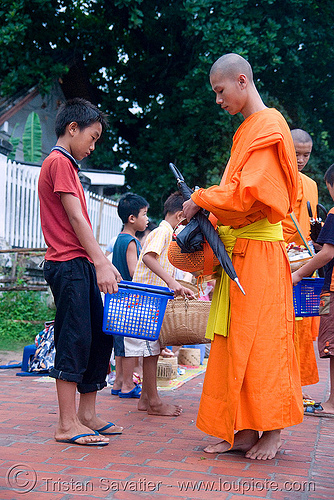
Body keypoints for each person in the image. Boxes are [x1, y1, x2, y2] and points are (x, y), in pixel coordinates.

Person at [182, 53, 303, 460]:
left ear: (241, 80)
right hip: (239, 251)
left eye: (219, 91)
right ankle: (242, 427)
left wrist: (200, 198)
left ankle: (274, 430)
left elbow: (248, 194)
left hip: (263, 256)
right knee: (234, 342)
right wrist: (208, 214)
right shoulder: (247, 130)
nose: (218, 100)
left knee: (265, 342)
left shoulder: (270, 126)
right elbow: (235, 195)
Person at [38, 98, 122, 446]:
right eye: (92, 136)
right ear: (73, 128)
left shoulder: (69, 166)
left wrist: (99, 259)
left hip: (80, 263)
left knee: (98, 338)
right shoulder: (58, 162)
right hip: (67, 264)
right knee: (74, 339)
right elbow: (74, 218)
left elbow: (80, 222)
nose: (92, 145)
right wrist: (101, 261)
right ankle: (66, 423)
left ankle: (86, 414)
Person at [132, 191, 195, 416]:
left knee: (153, 349)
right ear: (180, 216)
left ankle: (145, 399)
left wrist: (175, 285)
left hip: (152, 300)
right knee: (151, 351)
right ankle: (155, 403)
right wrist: (171, 283)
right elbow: (148, 257)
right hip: (146, 301)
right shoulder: (163, 233)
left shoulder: (167, 234)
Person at [292, 163, 334, 416]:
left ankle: (331, 403)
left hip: (330, 291)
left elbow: (328, 253)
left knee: (330, 344)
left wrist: (298, 273)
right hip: (328, 289)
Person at [282, 129, 319, 395]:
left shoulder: (311, 184)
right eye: (296, 153)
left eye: (306, 154)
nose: (301, 160)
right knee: (284, 325)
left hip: (305, 265)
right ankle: (284, 382)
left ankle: (298, 384)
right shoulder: (277, 179)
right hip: (280, 260)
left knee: (304, 327)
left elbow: (308, 225)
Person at [111, 193, 149, 398]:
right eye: (144, 214)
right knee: (128, 345)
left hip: (117, 298)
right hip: (128, 300)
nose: (147, 219)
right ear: (132, 218)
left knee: (120, 343)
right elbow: (134, 272)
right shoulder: (131, 242)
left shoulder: (119, 239)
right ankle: (127, 385)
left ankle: (118, 382)